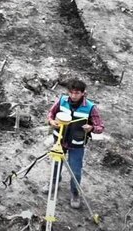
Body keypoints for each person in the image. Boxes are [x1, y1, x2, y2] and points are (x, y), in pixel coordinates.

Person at [46, 79, 105, 209]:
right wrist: (51, 121)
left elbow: (100, 127)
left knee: (76, 171)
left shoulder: (90, 107)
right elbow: (51, 113)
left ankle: (75, 193)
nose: (73, 95)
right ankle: (54, 182)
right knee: (56, 165)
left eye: (77, 93)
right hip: (59, 141)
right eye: (71, 92)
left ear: (83, 93)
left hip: (76, 144)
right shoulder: (62, 100)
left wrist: (91, 128)